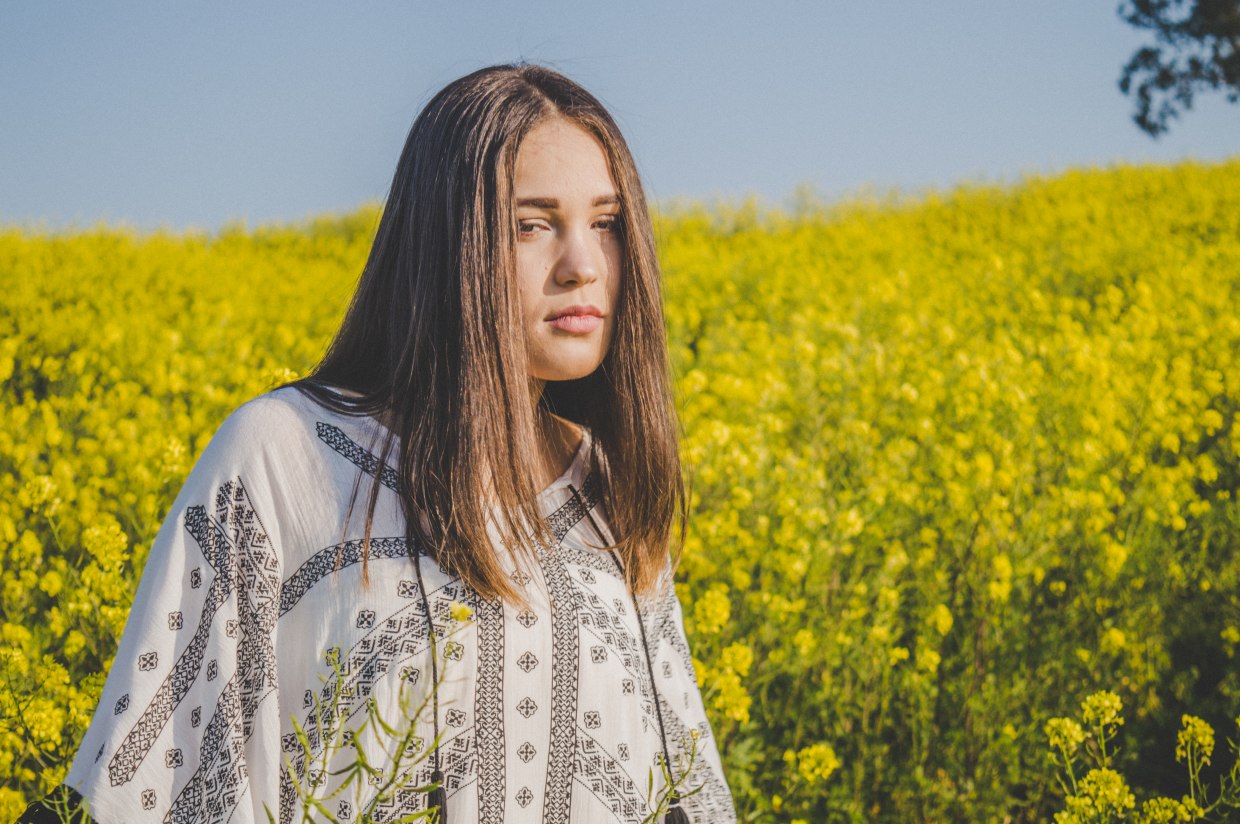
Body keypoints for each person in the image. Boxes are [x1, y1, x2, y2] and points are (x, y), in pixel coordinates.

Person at [23, 63, 736, 824]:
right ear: (445, 242)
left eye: (607, 223)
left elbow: (683, 789)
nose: (585, 266)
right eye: (532, 225)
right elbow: (156, 783)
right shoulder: (284, 455)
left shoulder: (613, 488)